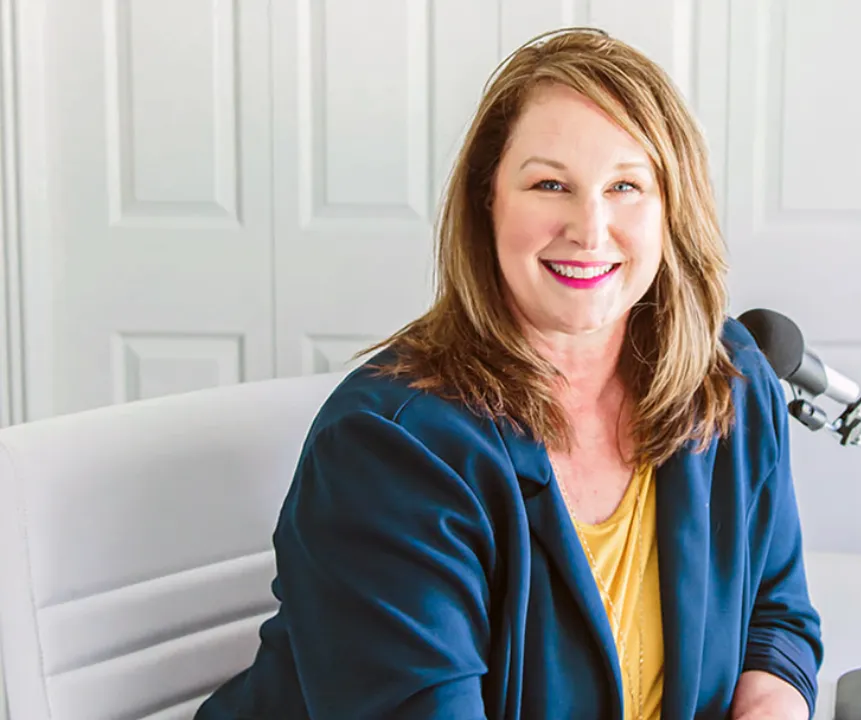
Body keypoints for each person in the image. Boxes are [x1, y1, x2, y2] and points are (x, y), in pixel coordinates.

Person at [195, 26, 822, 720]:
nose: (590, 228)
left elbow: (775, 617)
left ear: (672, 209)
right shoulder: (386, 448)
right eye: (550, 184)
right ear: (487, 200)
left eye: (625, 186)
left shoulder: (727, 381)